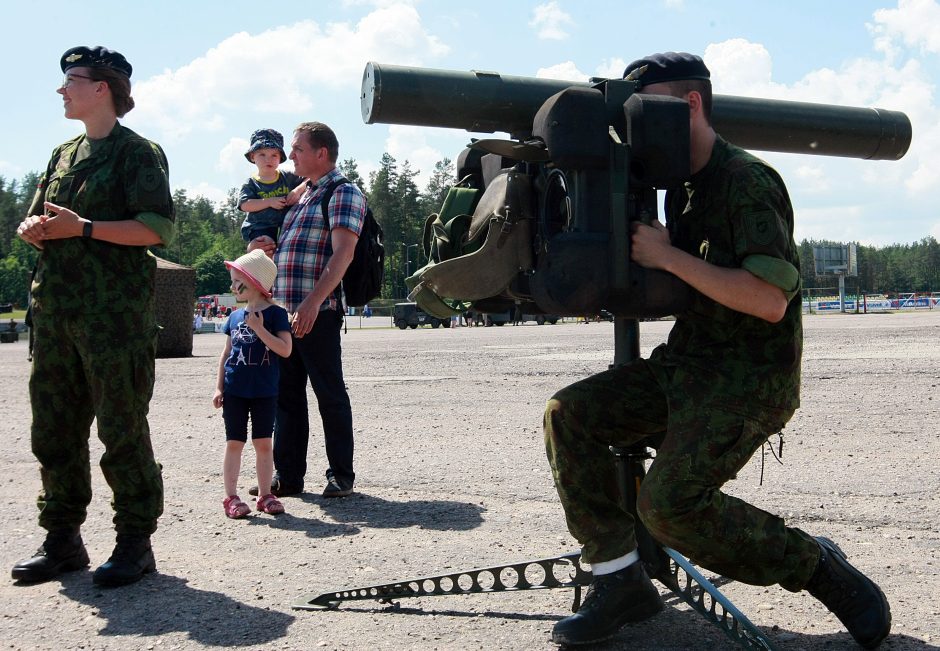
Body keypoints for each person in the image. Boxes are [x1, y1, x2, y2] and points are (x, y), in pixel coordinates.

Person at [544, 52, 891, 648]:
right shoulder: (676, 188)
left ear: (690, 105)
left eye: (642, 113)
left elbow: (768, 300)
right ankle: (619, 576)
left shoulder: (746, 181)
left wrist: (667, 256)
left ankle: (814, 566)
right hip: (687, 364)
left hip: (747, 378)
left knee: (670, 507)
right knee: (569, 414)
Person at [12, 46, 174, 587]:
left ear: (102, 87)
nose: (62, 90)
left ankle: (134, 541)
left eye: (70, 80)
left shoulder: (137, 154)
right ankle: (62, 540)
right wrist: (31, 230)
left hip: (113, 319)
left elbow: (155, 229)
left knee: (121, 428)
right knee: (53, 430)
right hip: (55, 313)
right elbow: (35, 220)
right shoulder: (62, 155)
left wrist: (84, 227)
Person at [248, 121, 365, 499]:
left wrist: (313, 303)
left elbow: (343, 254)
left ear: (321, 153)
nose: (290, 156)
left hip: (319, 311)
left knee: (329, 393)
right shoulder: (304, 195)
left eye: (297, 149)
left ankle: (341, 475)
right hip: (285, 312)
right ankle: (289, 475)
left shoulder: (342, 192)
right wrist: (269, 245)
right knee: (287, 395)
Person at [213, 250, 293, 518]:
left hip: (264, 392)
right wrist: (219, 387)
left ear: (254, 282)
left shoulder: (276, 314)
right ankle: (231, 497)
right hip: (235, 391)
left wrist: (260, 329)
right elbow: (226, 355)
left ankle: (265, 495)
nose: (233, 286)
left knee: (263, 444)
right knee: (234, 442)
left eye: (237, 281)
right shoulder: (234, 317)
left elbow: (285, 349)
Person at [238, 129, 307, 242]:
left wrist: (298, 190)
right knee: (267, 244)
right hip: (259, 227)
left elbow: (309, 179)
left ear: (280, 158)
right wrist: (269, 202)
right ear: (252, 157)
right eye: (262, 154)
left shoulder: (287, 177)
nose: (268, 160)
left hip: (287, 226)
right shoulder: (251, 183)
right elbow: (245, 205)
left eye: (274, 155)